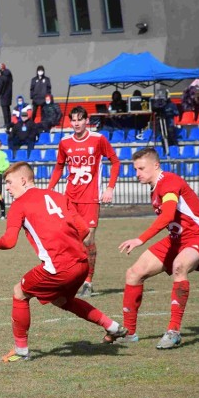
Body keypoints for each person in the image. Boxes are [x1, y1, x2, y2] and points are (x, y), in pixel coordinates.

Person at [0, 162, 128, 362]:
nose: (6, 187)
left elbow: (9, 242)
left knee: (19, 293)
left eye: (9, 182)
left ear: (23, 180)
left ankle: (21, 350)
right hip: (82, 264)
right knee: (62, 301)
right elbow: (83, 231)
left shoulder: (19, 204)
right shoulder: (58, 196)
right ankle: (113, 327)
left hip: (58, 267)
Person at [115, 147, 199, 349]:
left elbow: (168, 216)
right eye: (135, 169)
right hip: (176, 240)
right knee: (134, 273)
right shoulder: (155, 188)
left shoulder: (168, 182)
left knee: (179, 265)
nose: (137, 174)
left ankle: (174, 332)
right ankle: (129, 333)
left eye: (141, 169)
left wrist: (140, 239)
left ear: (156, 165)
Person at [47, 106, 120, 298]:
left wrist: (110, 187)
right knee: (68, 240)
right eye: (73, 120)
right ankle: (69, 279)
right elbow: (59, 167)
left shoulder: (98, 139)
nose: (76, 123)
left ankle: (88, 281)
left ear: (86, 120)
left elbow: (115, 161)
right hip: (70, 198)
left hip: (90, 198)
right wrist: (49, 188)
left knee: (87, 240)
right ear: (70, 122)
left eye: (80, 119)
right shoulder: (65, 142)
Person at [0, 62, 14, 129]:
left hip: (3, 95)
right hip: (9, 94)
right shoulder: (9, 75)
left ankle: (6, 124)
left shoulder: (1, 78)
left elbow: (0, 87)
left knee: (5, 111)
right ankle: (9, 123)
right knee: (8, 110)